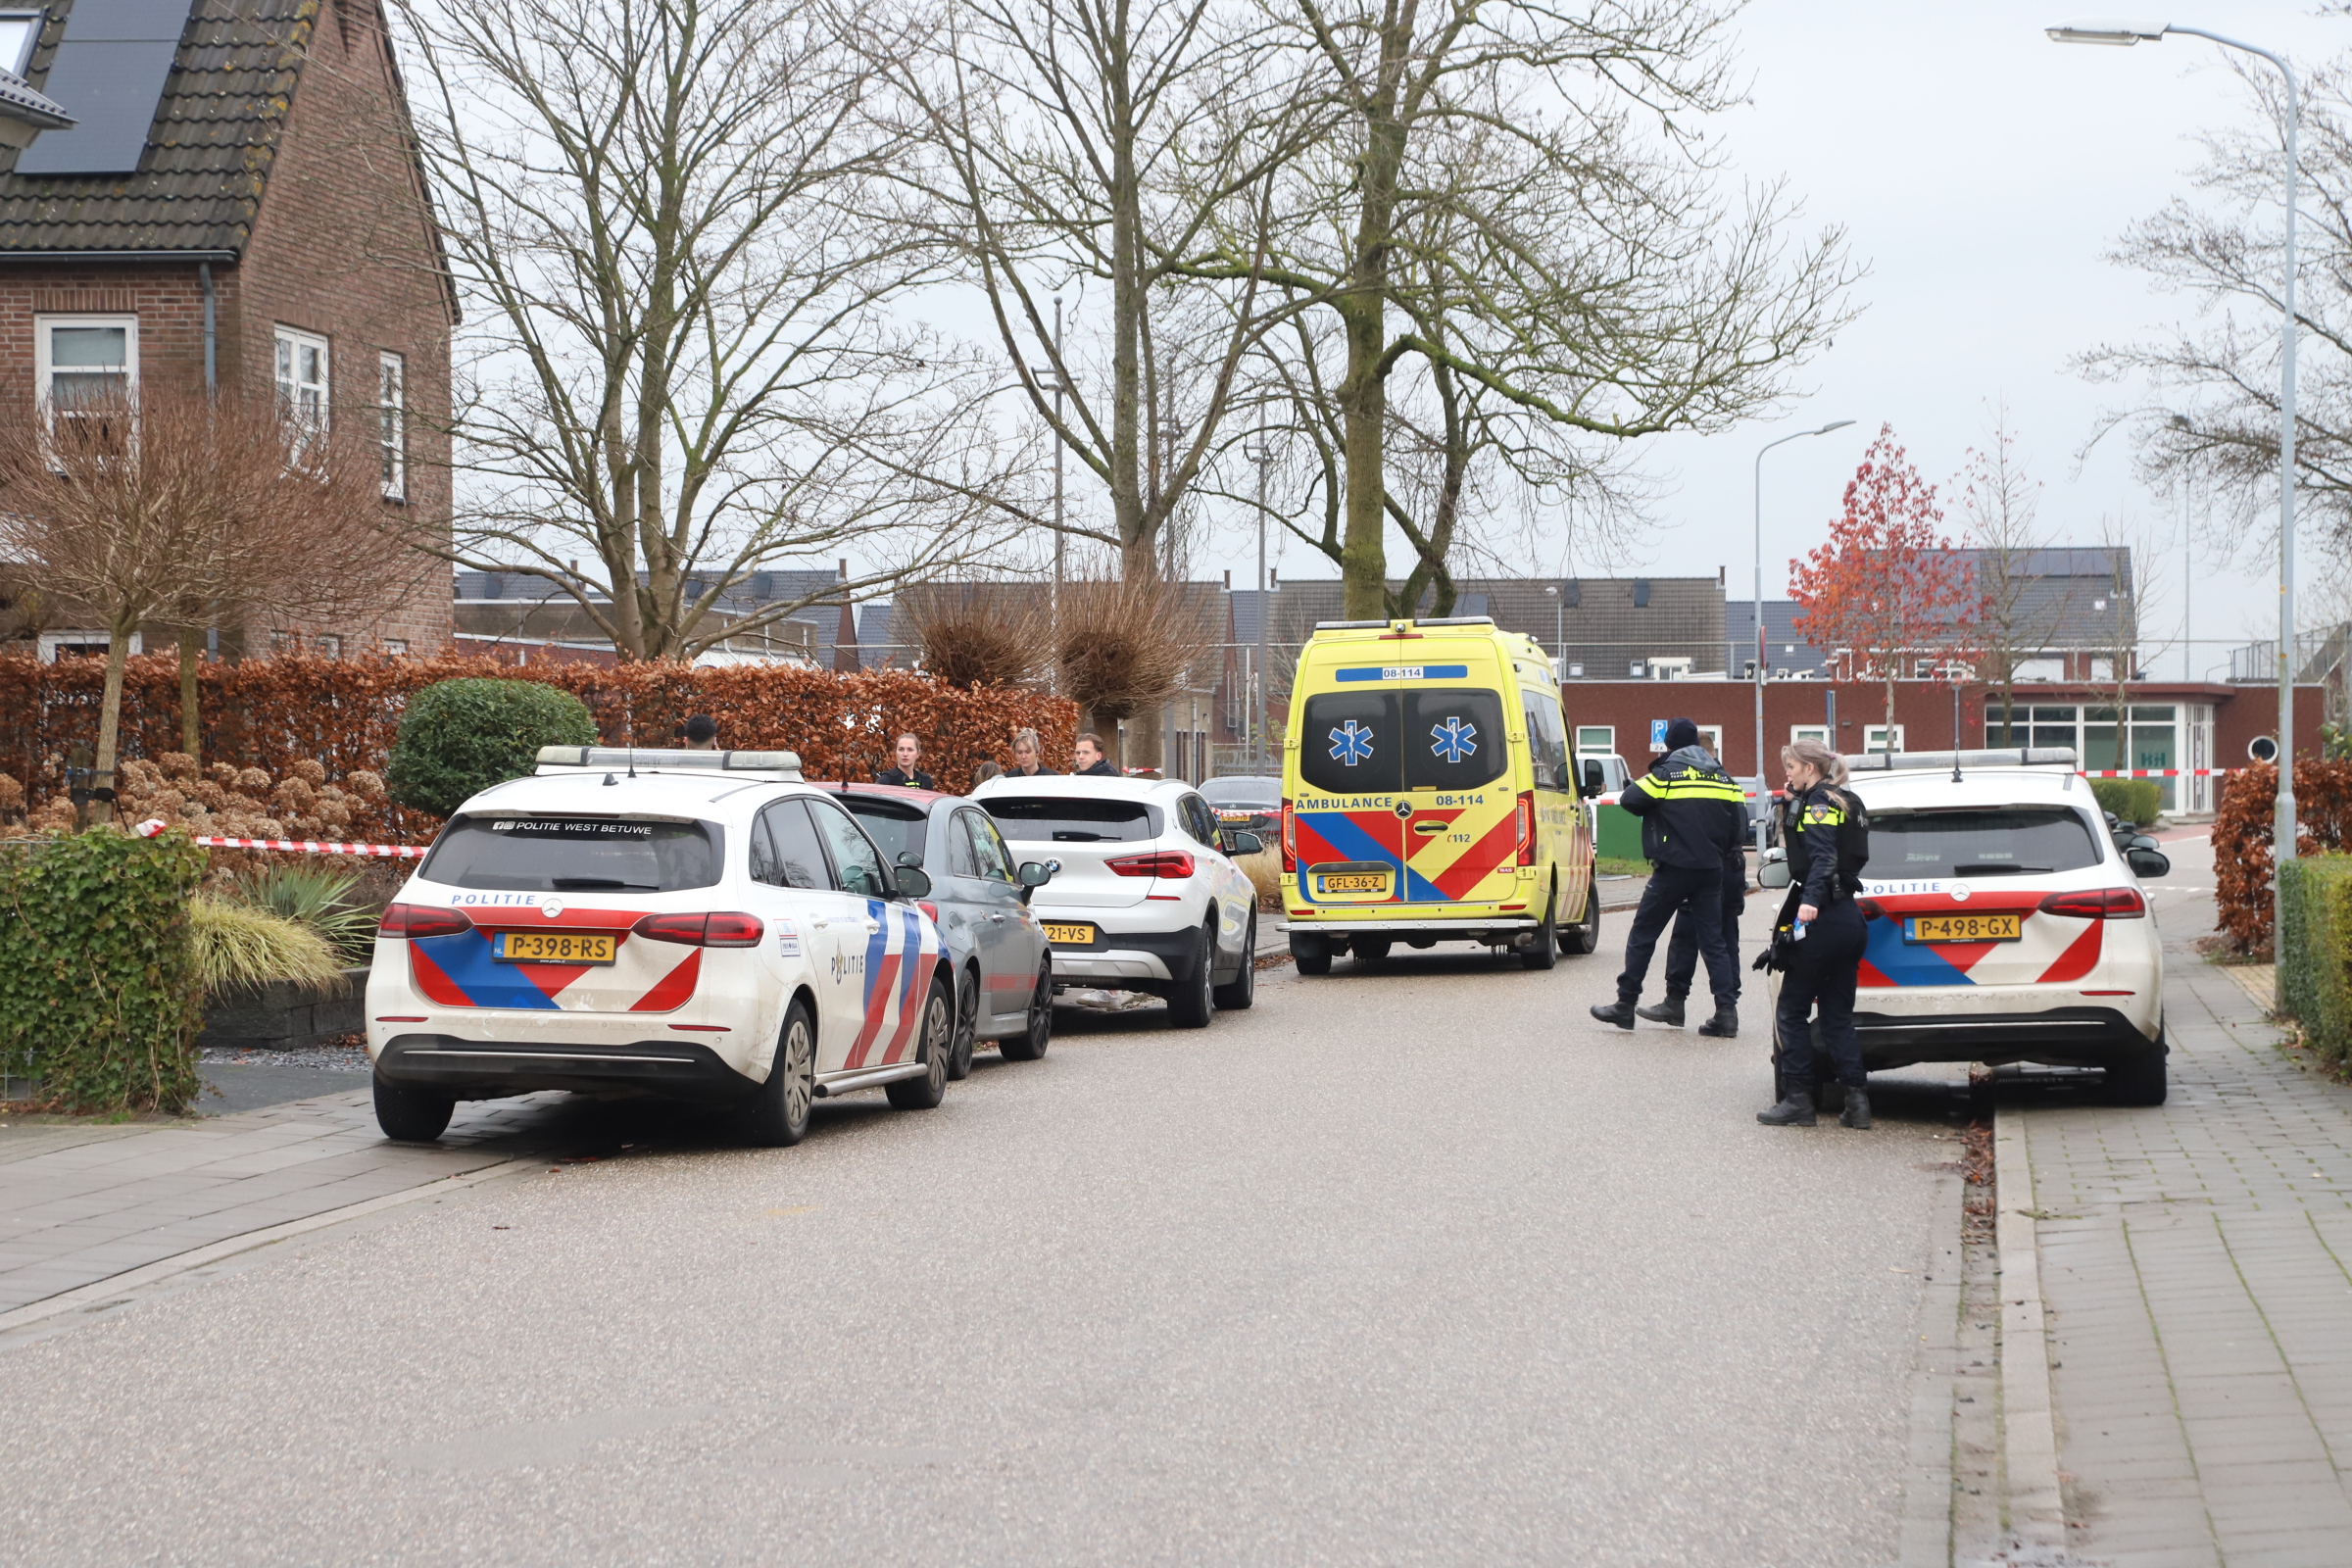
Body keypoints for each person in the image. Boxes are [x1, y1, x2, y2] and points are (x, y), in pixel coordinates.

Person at [1590, 717, 1748, 1036]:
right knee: (1713, 942)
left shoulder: (1666, 775)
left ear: (1670, 746)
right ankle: (1726, 1013)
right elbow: (1740, 827)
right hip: (1711, 871)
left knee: (1644, 934)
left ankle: (1625, 1004)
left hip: (1674, 869)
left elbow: (1629, 799)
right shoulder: (1724, 778)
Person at [1758, 739, 1873, 1130]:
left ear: (1810, 767)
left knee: (1790, 1011)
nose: (1787, 773)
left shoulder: (1820, 804)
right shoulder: (1845, 799)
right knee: (1837, 1016)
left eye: (1791, 766)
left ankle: (1799, 1101)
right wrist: (1791, 801)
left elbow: (1823, 856)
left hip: (1824, 917)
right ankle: (1857, 1104)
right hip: (1849, 920)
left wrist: (1809, 901)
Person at [1639, 809, 1749, 1028]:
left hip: (1708, 866)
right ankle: (1723, 1008)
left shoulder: (1703, 786)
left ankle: (1688, 1003)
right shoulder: (1727, 786)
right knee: (1720, 938)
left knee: (1691, 935)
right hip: (1727, 868)